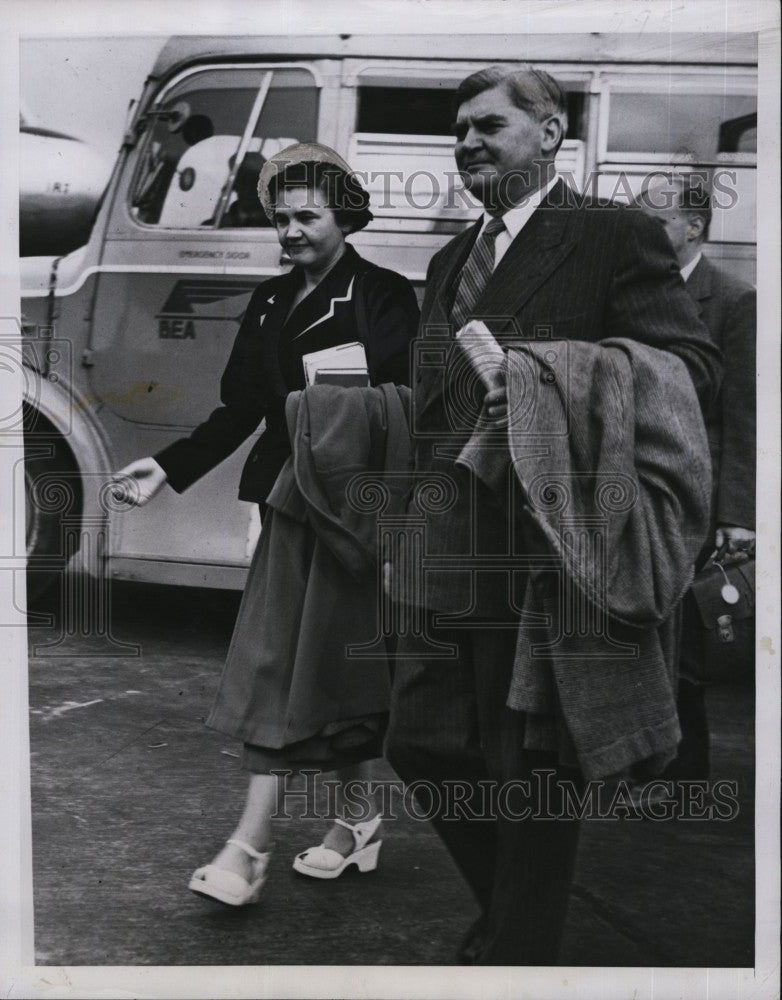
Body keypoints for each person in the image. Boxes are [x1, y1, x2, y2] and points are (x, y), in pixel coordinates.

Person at [384, 66, 721, 965]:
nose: (467, 142)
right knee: (419, 743)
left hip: (551, 545)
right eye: (458, 129)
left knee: (531, 766)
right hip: (451, 542)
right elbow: (431, 410)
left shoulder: (612, 235)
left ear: (549, 133)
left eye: (489, 125)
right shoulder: (451, 260)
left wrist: (543, 380)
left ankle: (519, 947)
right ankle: (511, 918)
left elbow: (690, 368)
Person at [114, 143, 419, 905]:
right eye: (279, 218)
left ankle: (247, 848)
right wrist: (168, 467)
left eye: (306, 216)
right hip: (277, 502)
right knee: (314, 664)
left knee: (283, 665)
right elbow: (240, 409)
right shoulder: (270, 299)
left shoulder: (383, 294)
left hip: (348, 508)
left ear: (345, 215)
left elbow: (398, 397)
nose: (289, 231)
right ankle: (358, 817)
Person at [638, 173, 756, 780]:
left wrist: (737, 515)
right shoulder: (633, 293)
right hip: (636, 492)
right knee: (640, 633)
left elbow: (746, 416)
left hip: (697, 499)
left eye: (654, 222)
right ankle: (645, 764)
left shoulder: (734, 301)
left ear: (694, 229)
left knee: (683, 643)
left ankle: (683, 775)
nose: (642, 233)